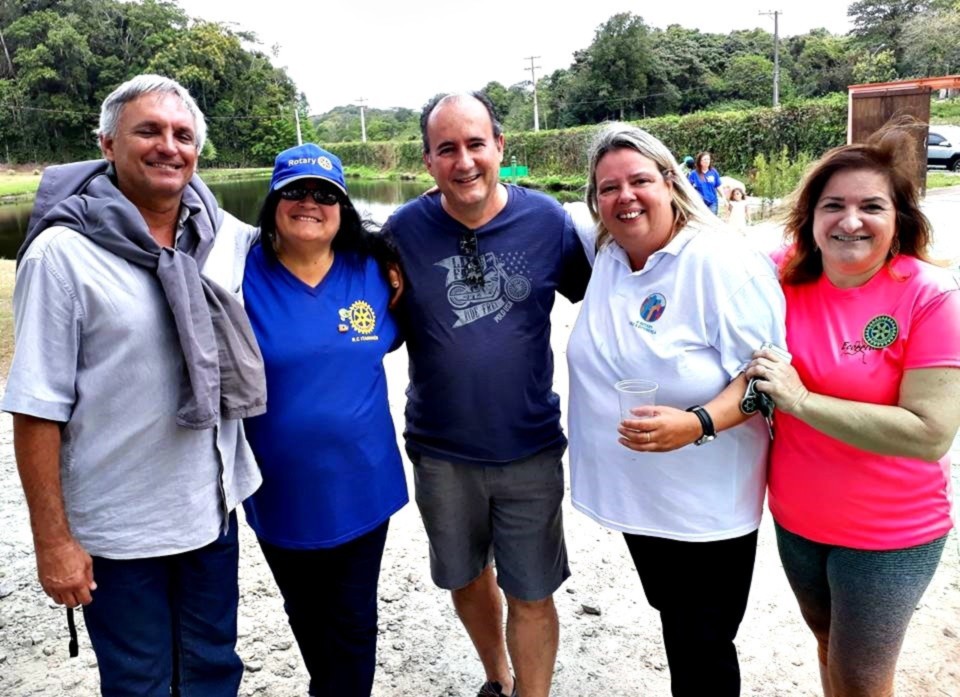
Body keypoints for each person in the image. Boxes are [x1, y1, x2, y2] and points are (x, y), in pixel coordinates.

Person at [2, 74, 264, 695]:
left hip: (209, 513)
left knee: (214, 669)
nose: (169, 146)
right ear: (107, 144)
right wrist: (53, 542)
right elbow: (36, 409)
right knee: (139, 682)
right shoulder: (61, 255)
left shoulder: (218, 234)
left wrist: (387, 255)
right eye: (148, 131)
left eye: (183, 135)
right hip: (120, 531)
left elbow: (308, 235)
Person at [565, 122, 786, 697]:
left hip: (706, 507)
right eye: (608, 187)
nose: (625, 197)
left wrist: (698, 422)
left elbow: (771, 375)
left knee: (703, 647)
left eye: (639, 180)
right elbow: (513, 208)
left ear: (670, 181)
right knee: (679, 627)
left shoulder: (720, 261)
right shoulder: (609, 254)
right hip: (642, 499)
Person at [385, 92, 591, 697]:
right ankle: (497, 677)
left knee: (533, 589)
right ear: (428, 161)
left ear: (500, 146)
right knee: (465, 575)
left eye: (476, 144)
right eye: (446, 148)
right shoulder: (401, 232)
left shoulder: (547, 221)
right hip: (440, 451)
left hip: (529, 445)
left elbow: (611, 296)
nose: (465, 161)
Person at [744, 124, 960, 697]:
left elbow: (930, 433)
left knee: (863, 678)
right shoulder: (782, 275)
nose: (850, 220)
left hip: (889, 530)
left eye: (872, 206)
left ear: (899, 220)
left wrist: (801, 401)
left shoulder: (929, 295)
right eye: (833, 205)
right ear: (811, 218)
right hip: (798, 520)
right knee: (827, 645)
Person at [240, 143, 408, 697]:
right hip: (279, 491)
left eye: (325, 193)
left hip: (364, 485)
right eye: (294, 191)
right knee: (306, 613)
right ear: (272, 203)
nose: (309, 202)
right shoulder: (237, 274)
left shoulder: (376, 272)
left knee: (354, 620)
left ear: (343, 207)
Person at [688, 150, 723, 215]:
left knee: (712, 219)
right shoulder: (694, 174)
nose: (707, 161)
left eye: (708, 159)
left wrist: (724, 197)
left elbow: (718, 185)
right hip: (700, 202)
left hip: (712, 201)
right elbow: (688, 187)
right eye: (705, 159)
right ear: (700, 161)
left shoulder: (713, 172)